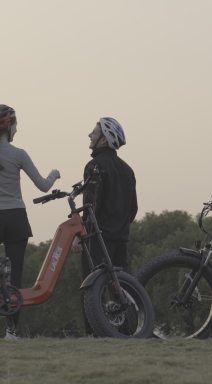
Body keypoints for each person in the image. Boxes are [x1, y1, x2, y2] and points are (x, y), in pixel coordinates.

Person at [0, 104, 60, 340]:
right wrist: (54, 174)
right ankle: (11, 331)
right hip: (16, 218)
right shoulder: (19, 154)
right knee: (15, 276)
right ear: (11, 127)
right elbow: (43, 185)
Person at [80, 117, 137, 334]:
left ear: (105, 139)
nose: (90, 135)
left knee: (91, 288)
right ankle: (124, 331)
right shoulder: (128, 170)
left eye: (94, 132)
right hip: (121, 239)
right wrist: (120, 227)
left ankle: (94, 332)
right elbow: (133, 209)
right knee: (119, 288)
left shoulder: (94, 166)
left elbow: (90, 206)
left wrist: (84, 232)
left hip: (97, 238)